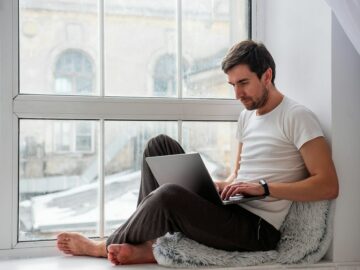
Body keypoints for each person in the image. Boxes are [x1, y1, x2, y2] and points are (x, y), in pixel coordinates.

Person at [56, 40, 339, 265]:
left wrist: (263, 188)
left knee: (169, 196)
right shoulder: (247, 117)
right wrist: (219, 186)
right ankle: (147, 242)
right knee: (159, 145)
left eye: (243, 83)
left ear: (267, 76)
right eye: (232, 85)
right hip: (232, 207)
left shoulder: (297, 117)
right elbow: (235, 175)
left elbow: (327, 185)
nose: (237, 94)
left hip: (257, 229)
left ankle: (101, 246)